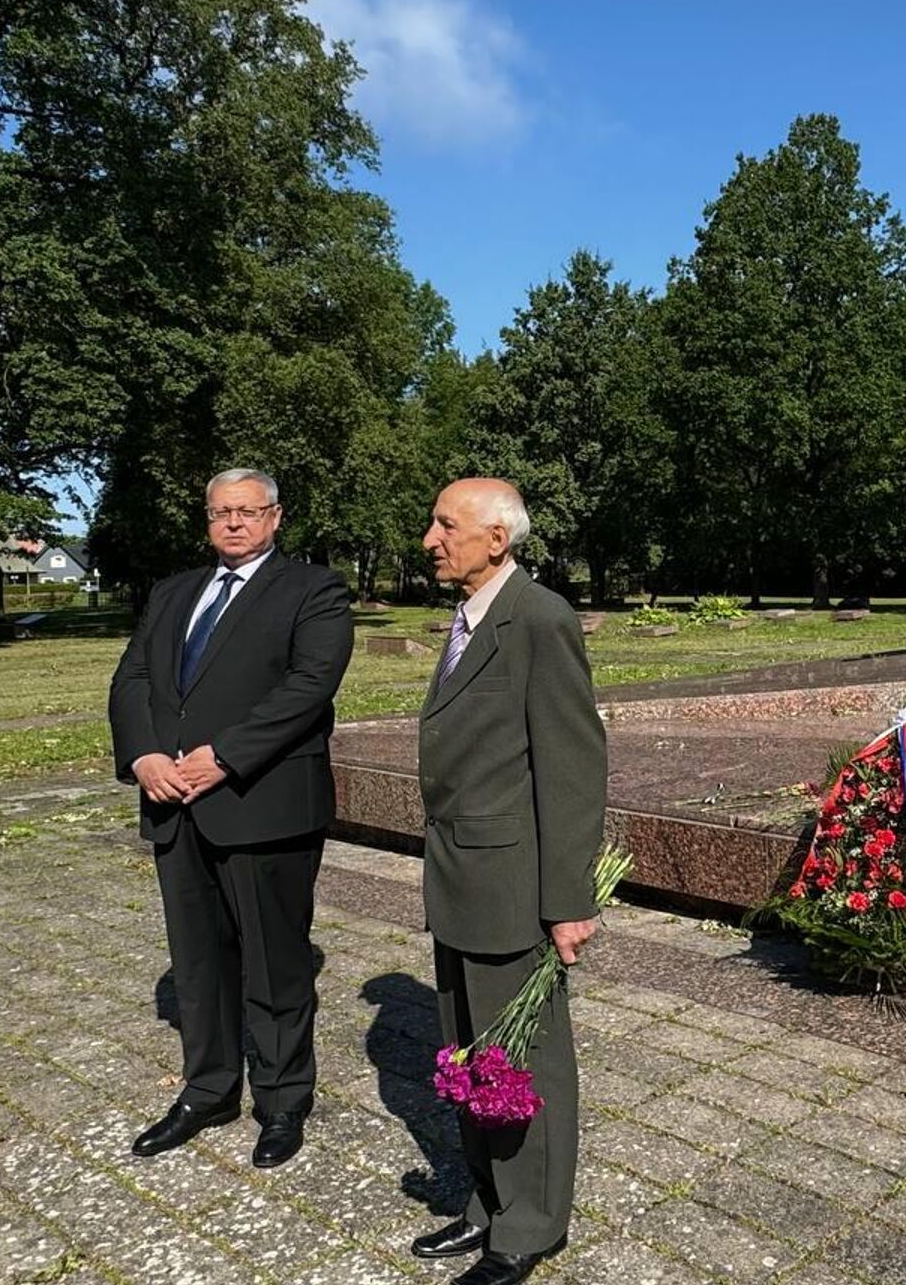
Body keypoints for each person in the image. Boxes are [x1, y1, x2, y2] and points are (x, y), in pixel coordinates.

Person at [108, 468, 354, 1169]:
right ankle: (209, 1089)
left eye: (248, 512)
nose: (234, 524)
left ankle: (282, 1102)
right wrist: (145, 755)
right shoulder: (173, 592)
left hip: (262, 803)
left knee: (275, 967)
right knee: (197, 963)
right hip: (173, 802)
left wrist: (226, 756)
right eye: (221, 513)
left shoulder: (314, 589)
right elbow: (132, 679)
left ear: (276, 517)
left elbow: (309, 685)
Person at [409, 478, 607, 1285]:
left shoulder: (540, 619)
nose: (429, 537)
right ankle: (489, 1203)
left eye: (445, 524)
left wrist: (567, 903)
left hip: (512, 888)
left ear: (497, 538)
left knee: (519, 1063)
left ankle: (530, 1225)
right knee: (469, 1055)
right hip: (460, 877)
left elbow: (571, 768)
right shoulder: (470, 618)